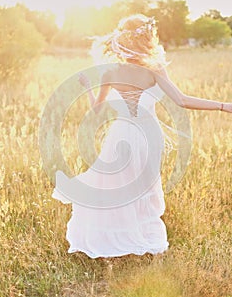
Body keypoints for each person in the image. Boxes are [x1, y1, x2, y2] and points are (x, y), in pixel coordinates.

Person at [52, 14, 232, 259]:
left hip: (120, 135)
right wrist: (222, 105)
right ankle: (142, 237)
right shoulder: (155, 70)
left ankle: (118, 237)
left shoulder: (110, 73)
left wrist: (87, 89)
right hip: (149, 137)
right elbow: (182, 100)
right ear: (145, 39)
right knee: (143, 187)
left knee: (117, 186)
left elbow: (97, 112)